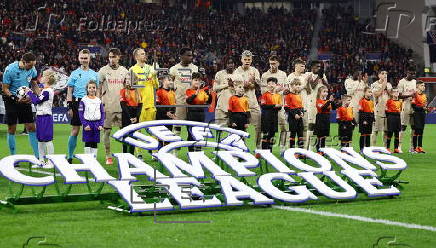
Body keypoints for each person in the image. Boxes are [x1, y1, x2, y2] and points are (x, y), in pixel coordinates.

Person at [2, 52, 40, 159]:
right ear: (23, 62)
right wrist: (15, 98)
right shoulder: (10, 70)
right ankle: (13, 157)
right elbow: (5, 88)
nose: (32, 68)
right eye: (30, 65)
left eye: (33, 65)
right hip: (11, 99)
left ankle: (38, 156)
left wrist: (38, 96)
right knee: (12, 128)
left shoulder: (32, 70)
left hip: (25, 99)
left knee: (32, 127)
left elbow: (34, 84)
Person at [66, 49, 99, 163]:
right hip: (77, 102)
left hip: (91, 103)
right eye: (82, 58)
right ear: (79, 59)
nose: (84, 60)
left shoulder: (94, 74)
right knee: (75, 130)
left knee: (91, 129)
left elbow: (97, 90)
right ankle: (69, 156)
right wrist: (69, 106)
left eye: (86, 58)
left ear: (89, 59)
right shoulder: (74, 73)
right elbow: (70, 90)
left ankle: (89, 158)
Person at [99, 48, 129, 165]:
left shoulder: (124, 71)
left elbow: (128, 88)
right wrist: (98, 102)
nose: (111, 59)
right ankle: (108, 155)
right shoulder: (103, 71)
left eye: (114, 57)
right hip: (108, 106)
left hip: (121, 106)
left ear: (119, 57)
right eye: (110, 57)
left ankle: (124, 154)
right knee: (106, 132)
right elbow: (99, 87)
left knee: (124, 132)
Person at [129, 48, 159, 159]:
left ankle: (154, 152)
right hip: (139, 104)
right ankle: (139, 153)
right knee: (138, 130)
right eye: (142, 54)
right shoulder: (132, 69)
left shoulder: (150, 68)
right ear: (136, 57)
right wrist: (147, 76)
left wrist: (154, 75)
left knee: (153, 129)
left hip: (150, 103)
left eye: (145, 53)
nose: (144, 55)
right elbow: (132, 86)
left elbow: (156, 85)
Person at [26, 69, 56, 168]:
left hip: (46, 117)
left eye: (42, 76)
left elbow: (37, 101)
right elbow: (38, 97)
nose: (41, 78)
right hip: (40, 117)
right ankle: (41, 161)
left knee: (47, 140)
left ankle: (51, 162)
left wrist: (29, 93)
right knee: (40, 140)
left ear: (47, 78)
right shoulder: (44, 90)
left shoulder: (48, 91)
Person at [234, 50, 261, 148]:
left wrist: (250, 84)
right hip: (241, 104)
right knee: (241, 128)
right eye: (245, 59)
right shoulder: (237, 71)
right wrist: (248, 84)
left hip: (253, 103)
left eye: (249, 59)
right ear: (241, 60)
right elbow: (238, 87)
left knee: (258, 127)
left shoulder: (255, 71)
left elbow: (258, 86)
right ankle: (241, 148)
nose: (247, 61)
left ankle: (258, 148)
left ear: (251, 60)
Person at [261, 55, 288, 153]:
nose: (273, 65)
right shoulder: (264, 75)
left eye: (274, 63)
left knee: (284, 126)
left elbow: (286, 88)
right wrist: (275, 90)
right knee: (267, 129)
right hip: (269, 107)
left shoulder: (283, 74)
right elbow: (263, 91)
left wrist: (283, 90)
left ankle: (282, 147)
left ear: (278, 63)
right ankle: (263, 148)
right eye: (271, 63)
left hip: (280, 105)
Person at [169, 48, 199, 137]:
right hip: (179, 102)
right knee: (177, 126)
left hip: (192, 102)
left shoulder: (195, 68)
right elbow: (170, 85)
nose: (191, 57)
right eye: (188, 55)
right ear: (181, 56)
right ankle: (175, 149)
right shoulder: (174, 69)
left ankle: (191, 148)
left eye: (191, 55)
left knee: (191, 127)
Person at [304, 61, 329, 150]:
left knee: (321, 126)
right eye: (317, 67)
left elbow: (327, 87)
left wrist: (323, 78)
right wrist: (319, 76)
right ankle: (308, 148)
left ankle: (320, 147)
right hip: (312, 104)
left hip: (321, 103)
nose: (319, 68)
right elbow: (313, 86)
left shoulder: (322, 75)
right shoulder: (308, 74)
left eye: (320, 67)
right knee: (311, 125)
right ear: (312, 67)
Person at [186, 72, 211, 151]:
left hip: (201, 115)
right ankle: (191, 152)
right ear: (191, 81)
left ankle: (198, 152)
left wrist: (210, 95)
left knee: (199, 134)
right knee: (191, 134)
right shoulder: (188, 91)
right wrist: (195, 94)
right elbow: (188, 101)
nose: (197, 82)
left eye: (199, 81)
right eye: (195, 80)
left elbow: (208, 102)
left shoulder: (202, 92)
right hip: (191, 115)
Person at [78, 81, 104, 156]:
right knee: (88, 142)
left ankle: (94, 161)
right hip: (88, 124)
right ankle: (87, 160)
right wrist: (85, 124)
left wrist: (101, 124)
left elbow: (102, 113)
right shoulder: (84, 100)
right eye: (90, 88)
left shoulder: (98, 100)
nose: (92, 89)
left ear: (96, 89)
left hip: (97, 124)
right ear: (87, 89)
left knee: (94, 142)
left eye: (93, 87)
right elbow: (80, 113)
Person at [286, 59, 308, 149]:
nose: (304, 68)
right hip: (293, 108)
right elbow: (293, 89)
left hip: (303, 106)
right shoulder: (290, 76)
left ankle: (303, 150)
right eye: (302, 66)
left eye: (304, 66)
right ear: (296, 66)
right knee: (292, 131)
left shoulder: (305, 76)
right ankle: (290, 149)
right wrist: (304, 85)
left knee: (304, 129)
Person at [213, 58, 239, 126]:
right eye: (228, 63)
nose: (230, 65)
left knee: (234, 129)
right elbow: (214, 88)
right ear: (225, 64)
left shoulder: (238, 75)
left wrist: (233, 85)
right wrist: (227, 84)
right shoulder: (219, 74)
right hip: (221, 105)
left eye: (232, 63)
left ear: (234, 64)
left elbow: (241, 90)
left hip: (235, 106)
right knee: (219, 129)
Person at [120, 79, 142, 154]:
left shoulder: (138, 91)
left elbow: (140, 106)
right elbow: (123, 105)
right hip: (126, 116)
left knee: (133, 136)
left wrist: (136, 117)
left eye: (130, 79)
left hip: (135, 116)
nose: (128, 81)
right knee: (125, 136)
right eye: (127, 80)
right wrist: (130, 117)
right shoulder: (123, 91)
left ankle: (132, 155)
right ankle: (125, 155)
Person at [397, 68, 417, 153]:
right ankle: (399, 146)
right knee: (403, 126)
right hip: (406, 105)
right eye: (411, 74)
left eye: (413, 74)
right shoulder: (401, 82)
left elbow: (415, 93)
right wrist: (410, 95)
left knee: (413, 127)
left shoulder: (414, 81)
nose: (412, 75)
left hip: (413, 106)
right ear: (407, 73)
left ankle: (412, 147)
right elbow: (399, 96)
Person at [260, 77, 282, 151]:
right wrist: (274, 105)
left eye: (273, 83)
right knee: (266, 134)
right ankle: (263, 151)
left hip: (274, 117)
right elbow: (263, 106)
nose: (271, 85)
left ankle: (270, 150)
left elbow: (279, 107)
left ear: (276, 85)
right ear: (267, 85)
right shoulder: (264, 95)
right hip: (266, 117)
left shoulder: (278, 96)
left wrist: (279, 106)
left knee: (272, 134)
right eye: (269, 84)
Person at [371, 70, 392, 146]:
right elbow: (377, 94)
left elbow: (392, 95)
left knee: (386, 130)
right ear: (379, 75)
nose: (385, 75)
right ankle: (373, 147)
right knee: (375, 130)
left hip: (387, 110)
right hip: (378, 110)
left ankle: (385, 147)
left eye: (386, 73)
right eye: (383, 73)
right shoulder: (374, 84)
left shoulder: (389, 84)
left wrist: (388, 88)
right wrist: (384, 85)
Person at [156, 75, 176, 148]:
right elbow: (157, 105)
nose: (171, 82)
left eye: (171, 80)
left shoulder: (172, 92)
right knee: (160, 135)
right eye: (169, 80)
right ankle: (160, 152)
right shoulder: (159, 92)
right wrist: (166, 112)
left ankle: (167, 152)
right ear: (164, 81)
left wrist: (172, 113)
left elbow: (174, 104)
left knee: (168, 135)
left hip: (169, 117)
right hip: (161, 117)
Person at [284, 78, 304, 149]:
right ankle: (292, 151)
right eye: (296, 85)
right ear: (291, 86)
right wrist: (294, 114)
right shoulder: (288, 95)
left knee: (300, 134)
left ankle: (301, 151)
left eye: (299, 85)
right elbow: (286, 107)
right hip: (292, 117)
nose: (298, 86)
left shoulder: (299, 95)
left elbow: (301, 107)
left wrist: (302, 113)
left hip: (299, 118)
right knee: (292, 134)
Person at [314, 86, 334, 153]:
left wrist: (332, 102)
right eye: (324, 91)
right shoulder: (318, 101)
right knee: (320, 135)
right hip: (320, 118)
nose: (326, 93)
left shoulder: (327, 101)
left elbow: (333, 108)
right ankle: (318, 150)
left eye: (327, 92)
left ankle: (322, 150)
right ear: (320, 93)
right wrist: (329, 102)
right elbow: (322, 109)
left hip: (327, 118)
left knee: (324, 136)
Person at [411, 81, 427, 153]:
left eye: (424, 85)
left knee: (421, 131)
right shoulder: (415, 95)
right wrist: (422, 108)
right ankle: (414, 148)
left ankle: (420, 147)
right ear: (417, 86)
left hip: (423, 114)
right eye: (422, 85)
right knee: (416, 130)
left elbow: (425, 105)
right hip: (416, 114)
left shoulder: (424, 95)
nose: (424, 87)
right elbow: (414, 106)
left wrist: (426, 109)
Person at [385, 88, 402, 153]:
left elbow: (400, 109)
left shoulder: (400, 101)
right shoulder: (389, 101)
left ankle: (396, 148)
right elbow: (386, 110)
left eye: (397, 91)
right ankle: (388, 148)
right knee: (390, 133)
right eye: (394, 92)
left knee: (397, 133)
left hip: (398, 118)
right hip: (391, 117)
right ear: (392, 93)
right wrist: (390, 116)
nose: (396, 93)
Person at [358, 87, 375, 151]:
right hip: (364, 119)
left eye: (371, 92)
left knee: (368, 134)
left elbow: (372, 111)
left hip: (370, 119)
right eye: (369, 92)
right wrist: (364, 120)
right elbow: (361, 112)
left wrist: (373, 119)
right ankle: (361, 149)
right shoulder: (362, 101)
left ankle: (367, 149)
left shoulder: (371, 102)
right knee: (363, 134)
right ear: (365, 92)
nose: (370, 93)